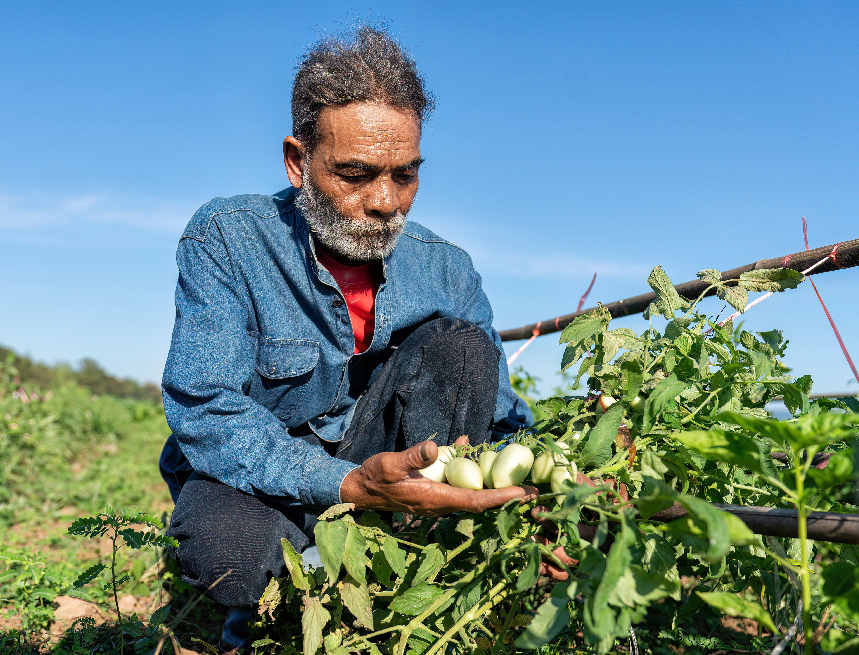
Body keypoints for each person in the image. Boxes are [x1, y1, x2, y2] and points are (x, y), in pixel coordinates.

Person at [159, 25, 569, 653]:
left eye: (405, 175)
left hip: (396, 475)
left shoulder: (446, 268)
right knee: (229, 551)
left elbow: (506, 419)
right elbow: (206, 405)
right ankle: (276, 612)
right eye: (355, 174)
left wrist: (557, 482)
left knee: (459, 346)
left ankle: (404, 577)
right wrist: (346, 484)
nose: (385, 202)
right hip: (266, 476)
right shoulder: (229, 240)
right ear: (299, 163)